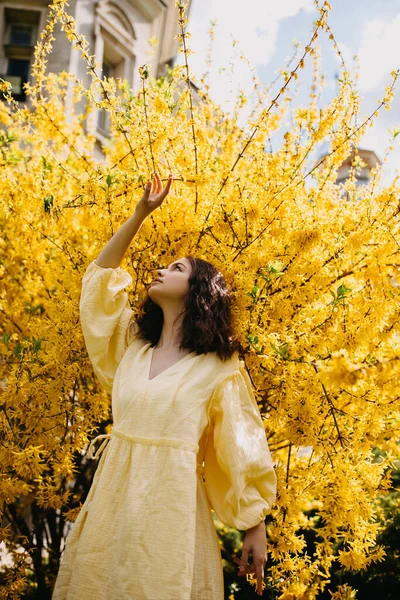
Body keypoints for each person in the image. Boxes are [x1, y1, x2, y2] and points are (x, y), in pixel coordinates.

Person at [52, 172, 277, 599]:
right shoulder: (132, 348)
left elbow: (240, 446)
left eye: (176, 269)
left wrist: (255, 525)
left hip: (171, 516)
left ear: (199, 292)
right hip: (112, 505)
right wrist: (140, 213)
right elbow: (99, 280)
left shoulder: (219, 368)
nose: (160, 270)